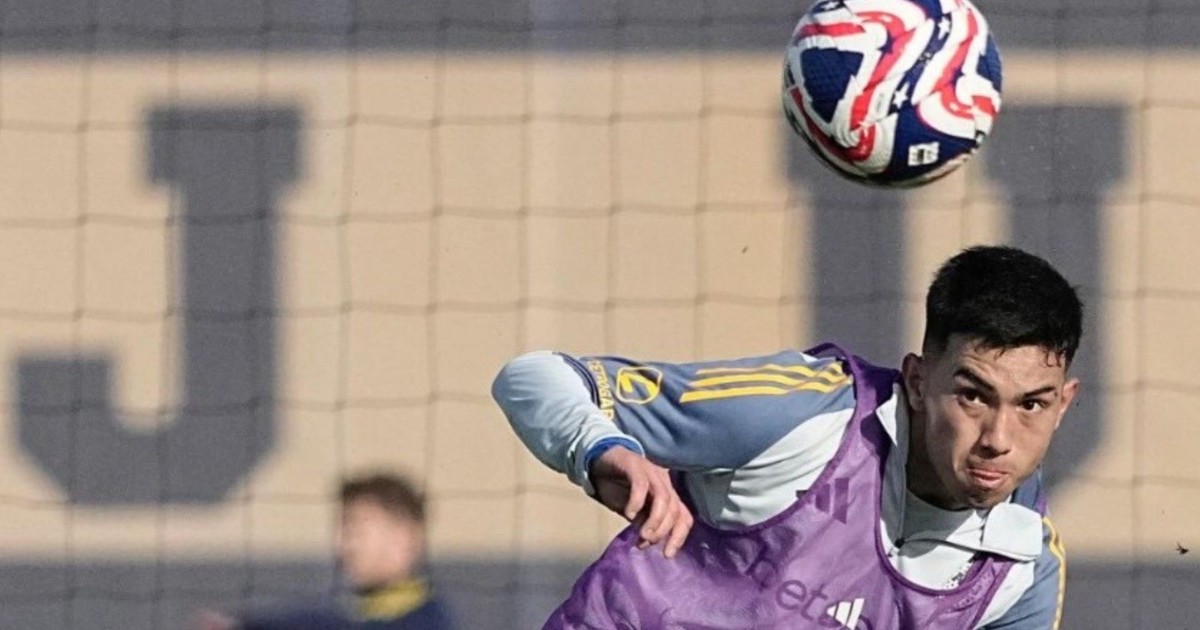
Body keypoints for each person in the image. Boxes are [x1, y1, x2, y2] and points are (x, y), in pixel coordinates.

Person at [492, 245, 1080, 629]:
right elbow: (535, 378)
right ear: (919, 381)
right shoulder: (805, 412)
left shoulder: (1023, 564)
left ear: (1064, 404)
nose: (998, 438)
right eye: (973, 396)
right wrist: (600, 450)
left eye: (1032, 404)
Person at [200, 472, 456, 630]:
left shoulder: (427, 621)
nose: (342, 545)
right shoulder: (352, 610)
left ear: (403, 538)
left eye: (355, 530)